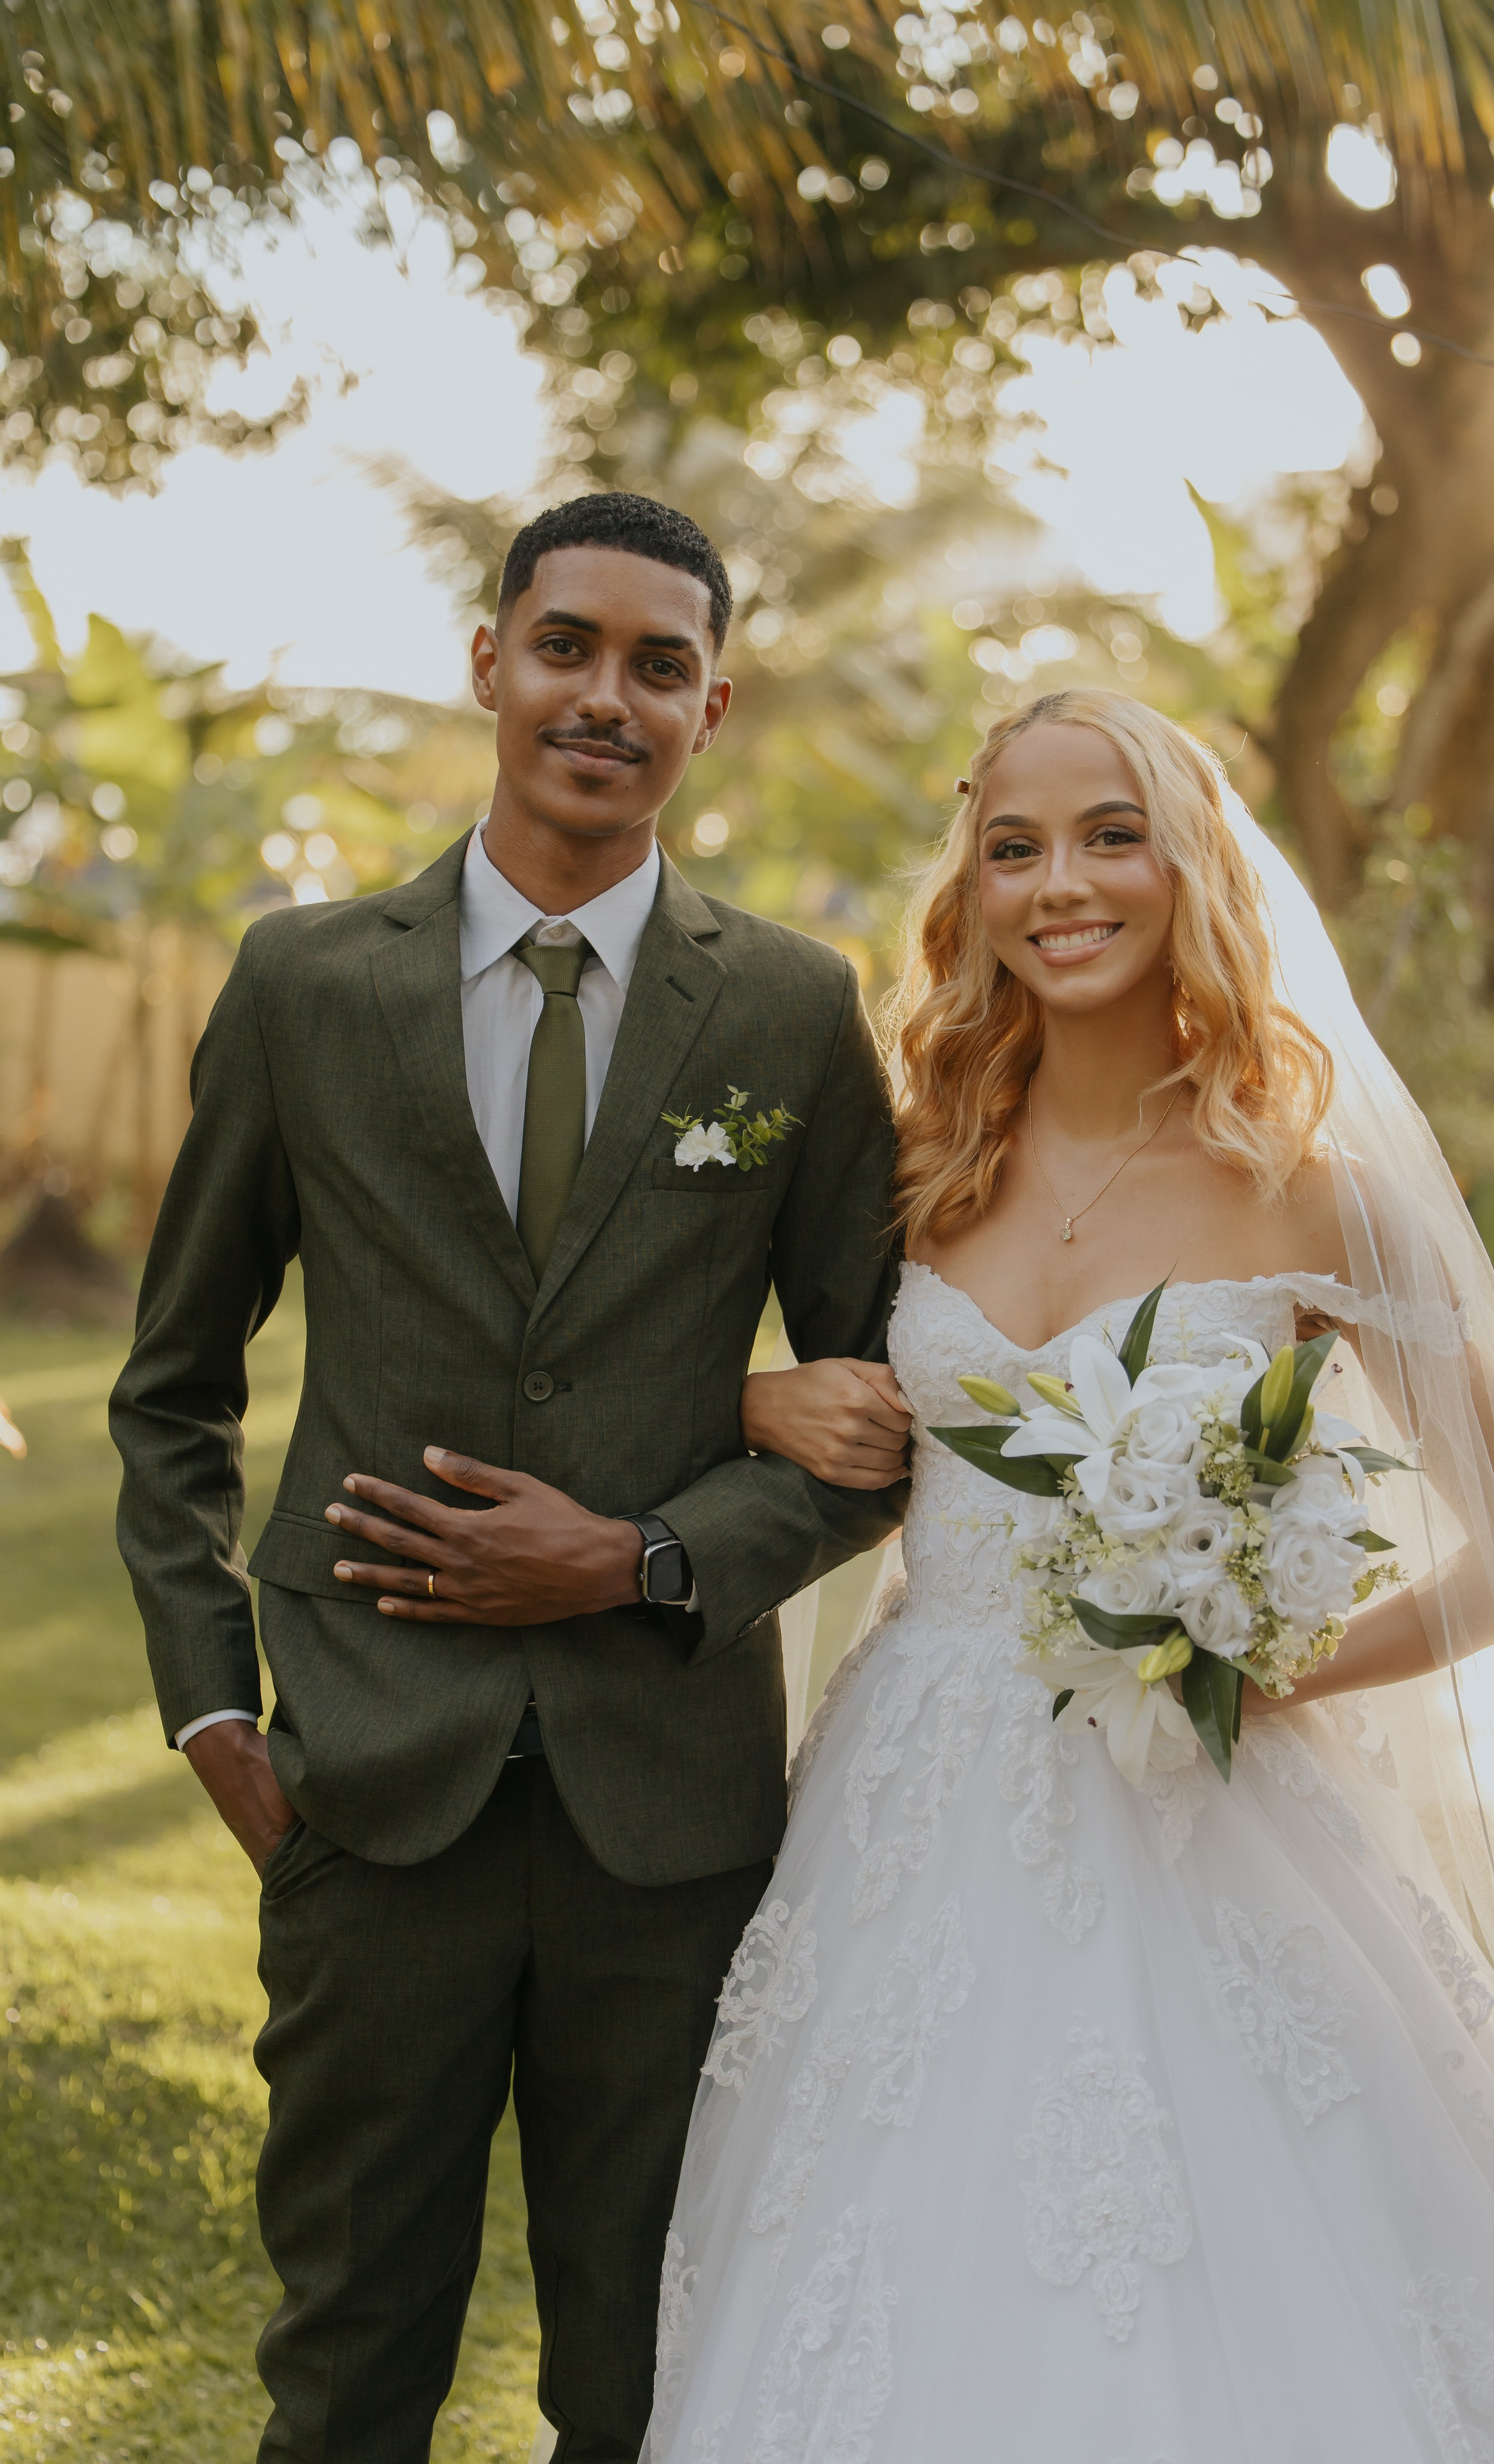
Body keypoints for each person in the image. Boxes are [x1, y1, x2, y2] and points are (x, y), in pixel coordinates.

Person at [646, 690, 1494, 2461]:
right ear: (974, 888)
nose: (1062, 884)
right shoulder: (915, 1162)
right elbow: (672, 1380)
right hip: (911, 1811)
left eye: (1112, 834)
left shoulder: (1310, 1190)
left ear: (1193, 866)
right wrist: (753, 1391)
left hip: (1217, 1820)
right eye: (1014, 846)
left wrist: (1263, 1668)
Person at [108, 492, 912, 2464]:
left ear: (711, 709)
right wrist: (222, 1716)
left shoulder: (796, 1012)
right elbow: (172, 1393)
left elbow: (885, 1415)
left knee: (645, 2378)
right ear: (491, 664)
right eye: (568, 647)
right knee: (350, 2367)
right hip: (369, 1798)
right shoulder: (306, 985)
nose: (604, 698)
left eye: (659, 668)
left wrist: (643, 1558)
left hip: (677, 1820)